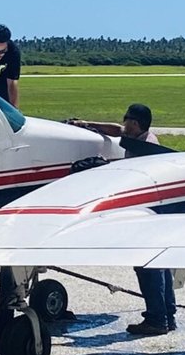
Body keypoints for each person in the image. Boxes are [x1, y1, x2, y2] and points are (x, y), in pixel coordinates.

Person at [67, 103, 176, 335]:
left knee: (147, 266)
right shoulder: (144, 137)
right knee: (159, 265)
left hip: (147, 214)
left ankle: (157, 319)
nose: (123, 125)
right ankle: (168, 314)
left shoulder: (145, 148)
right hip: (158, 213)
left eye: (126, 121)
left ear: (135, 124)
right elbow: (117, 131)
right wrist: (87, 124)